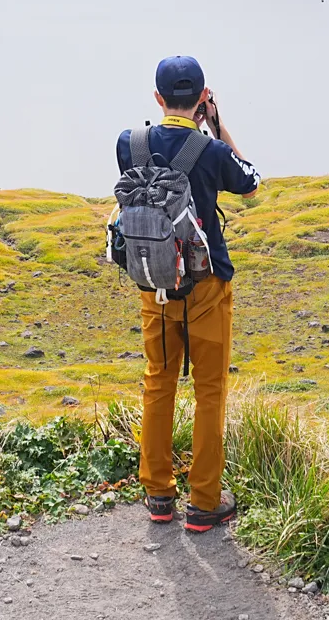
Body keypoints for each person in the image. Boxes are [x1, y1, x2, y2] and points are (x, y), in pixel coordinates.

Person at [116, 54, 262, 532]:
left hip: (154, 284)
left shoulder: (129, 144)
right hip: (207, 284)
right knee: (209, 390)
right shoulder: (211, 150)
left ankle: (158, 493)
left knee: (158, 381)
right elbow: (252, 185)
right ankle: (204, 501)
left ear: (157, 98)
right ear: (201, 98)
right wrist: (217, 126)